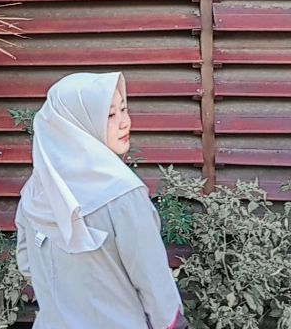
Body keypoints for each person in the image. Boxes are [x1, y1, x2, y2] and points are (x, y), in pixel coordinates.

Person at [15, 72, 189, 329]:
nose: (124, 122)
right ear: (75, 124)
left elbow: (27, 265)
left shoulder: (36, 191)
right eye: (109, 115)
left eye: (123, 109)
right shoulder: (123, 194)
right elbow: (154, 282)